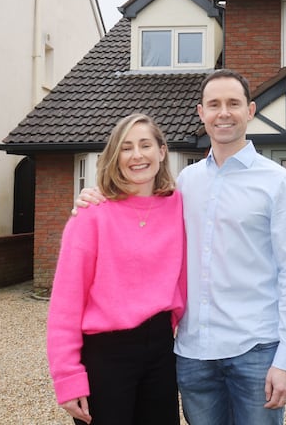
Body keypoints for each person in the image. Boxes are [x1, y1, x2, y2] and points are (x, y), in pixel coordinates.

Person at [77, 69, 286, 425]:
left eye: (233, 104)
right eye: (214, 104)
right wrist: (92, 198)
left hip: (255, 351)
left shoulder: (276, 182)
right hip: (193, 354)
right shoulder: (185, 183)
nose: (223, 113)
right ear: (200, 112)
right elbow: (136, 209)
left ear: (250, 111)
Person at [48, 113, 187, 425]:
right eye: (126, 148)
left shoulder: (178, 204)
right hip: (106, 355)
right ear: (115, 156)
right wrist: (67, 377)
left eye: (145, 145)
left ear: (162, 151)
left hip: (161, 348)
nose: (137, 155)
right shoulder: (91, 215)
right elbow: (65, 304)